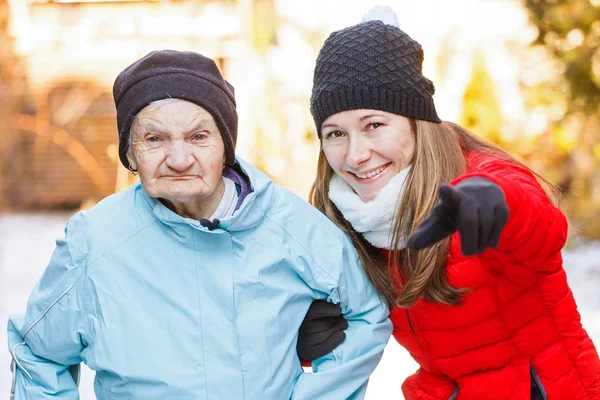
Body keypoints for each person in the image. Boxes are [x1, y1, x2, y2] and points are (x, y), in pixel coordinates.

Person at [7, 49, 392, 400]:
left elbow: (367, 316)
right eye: (154, 138)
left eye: (198, 137)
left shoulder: (293, 226)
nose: (178, 159)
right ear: (130, 152)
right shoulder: (94, 240)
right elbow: (37, 353)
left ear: (226, 146)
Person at [299, 6, 600, 400]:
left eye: (374, 125)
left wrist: (497, 204)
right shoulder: (349, 217)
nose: (355, 155)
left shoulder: (477, 179)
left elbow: (541, 230)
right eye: (336, 134)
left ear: (415, 121)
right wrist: (305, 330)